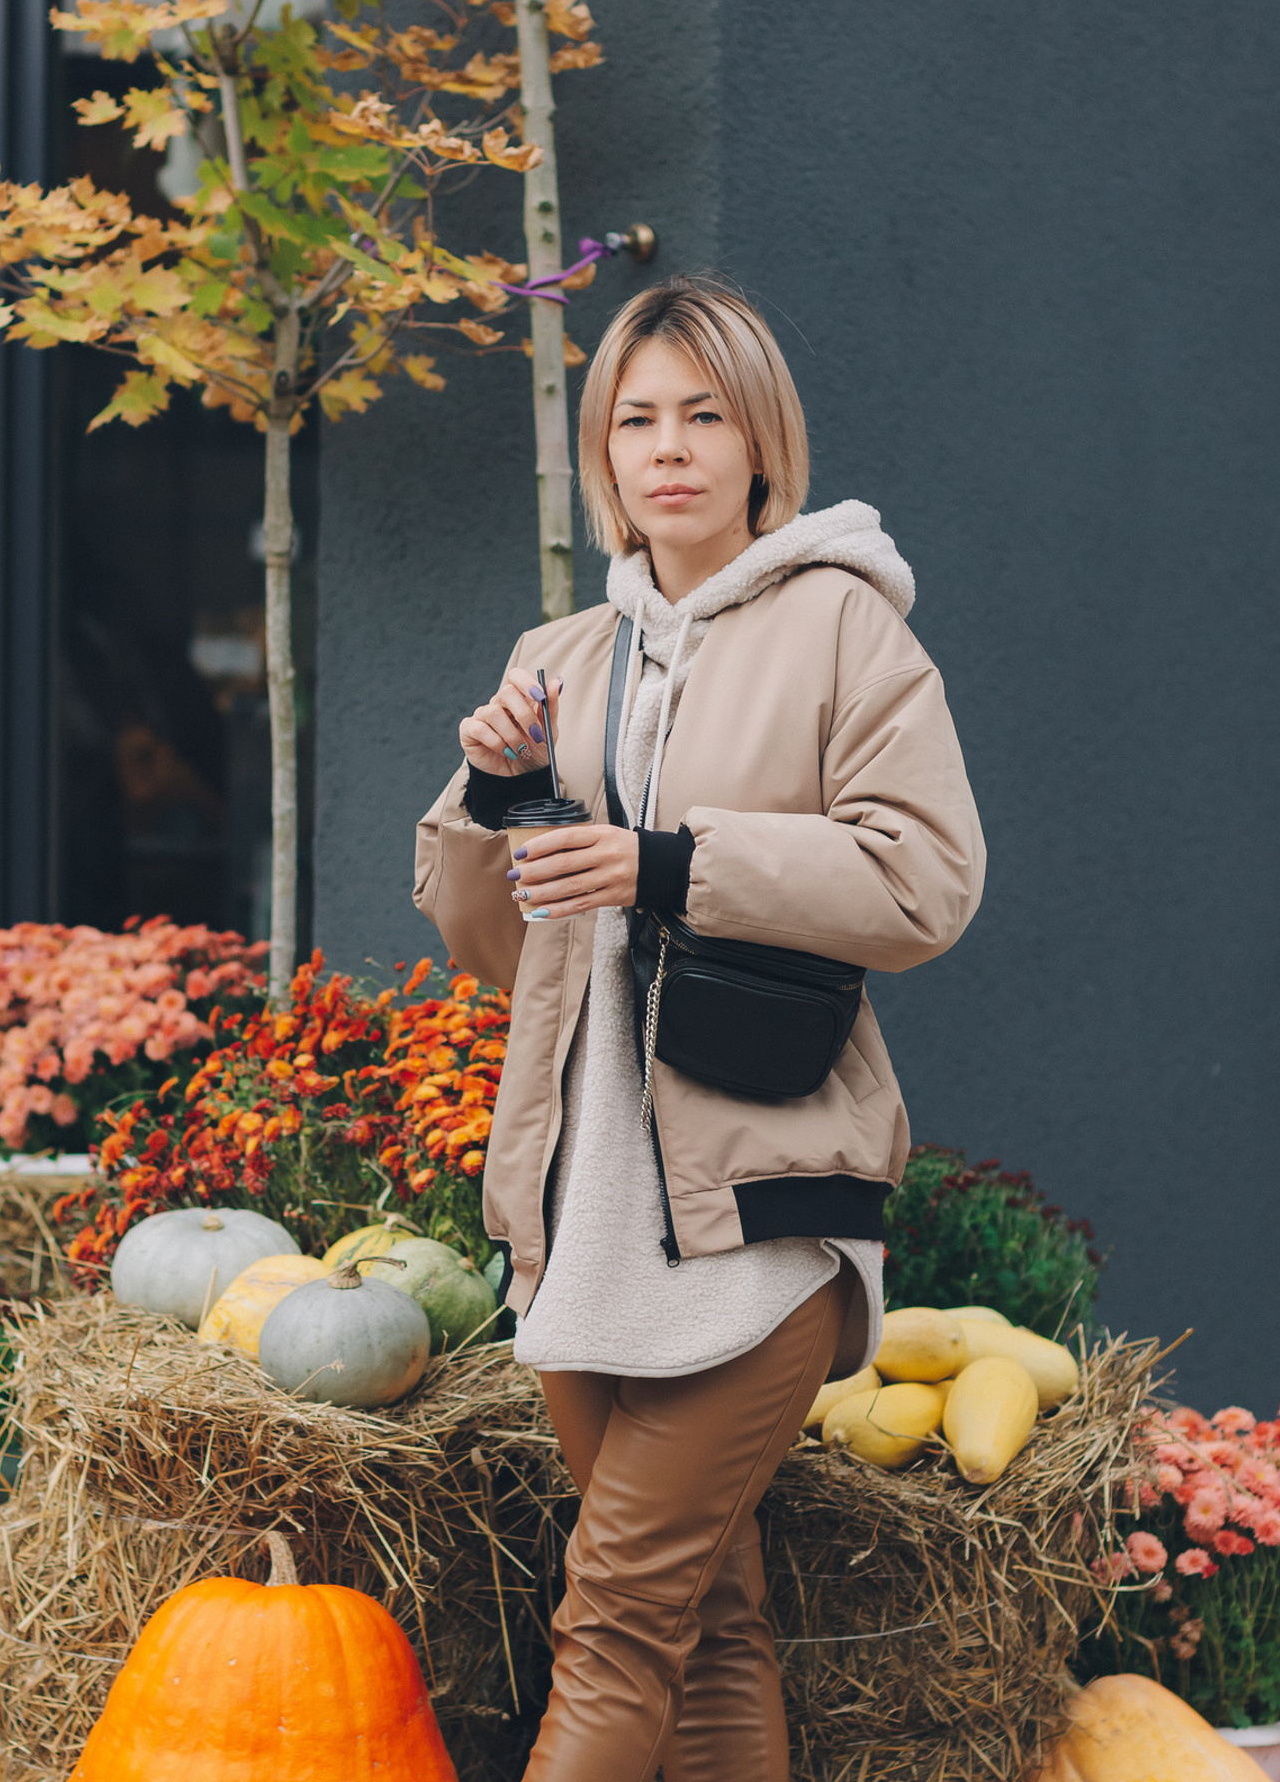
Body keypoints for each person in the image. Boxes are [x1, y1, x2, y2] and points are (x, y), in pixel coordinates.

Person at [414, 276, 986, 1782]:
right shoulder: (561, 657)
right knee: (707, 1619)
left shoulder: (844, 627)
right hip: (584, 1215)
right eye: (636, 420)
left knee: (612, 1619)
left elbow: (925, 881)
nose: (667, 448)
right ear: (602, 454)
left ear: (759, 443)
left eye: (703, 416)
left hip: (759, 1211)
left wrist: (669, 864)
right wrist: (493, 797)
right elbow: (488, 948)